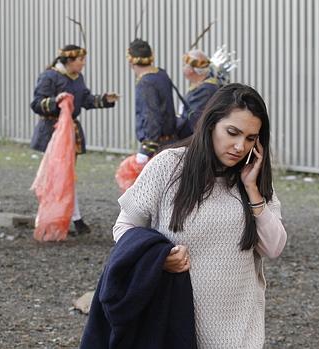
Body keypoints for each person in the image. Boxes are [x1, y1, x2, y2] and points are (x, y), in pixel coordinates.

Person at [112, 83, 287, 347]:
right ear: (210, 124)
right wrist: (158, 258)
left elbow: (273, 248)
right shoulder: (169, 166)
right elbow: (124, 225)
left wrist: (252, 190)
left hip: (239, 327)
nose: (240, 146)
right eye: (232, 132)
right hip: (176, 319)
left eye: (251, 138)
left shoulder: (254, 182)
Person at [30, 44, 118, 234]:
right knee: (55, 177)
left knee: (67, 177)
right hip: (52, 131)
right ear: (70, 61)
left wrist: (104, 100)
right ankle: (55, 217)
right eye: (81, 60)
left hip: (71, 131)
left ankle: (68, 217)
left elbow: (85, 100)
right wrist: (56, 102)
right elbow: (37, 103)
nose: (83, 64)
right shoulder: (49, 76)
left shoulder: (78, 78)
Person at [126, 39, 176, 165]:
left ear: (131, 61)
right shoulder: (161, 73)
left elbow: (151, 115)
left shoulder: (145, 83)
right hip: (171, 140)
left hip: (158, 147)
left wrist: (146, 150)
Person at [176, 49, 222, 140]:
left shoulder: (205, 90)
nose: (183, 67)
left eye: (185, 65)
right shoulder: (201, 87)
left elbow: (192, 120)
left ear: (191, 70)